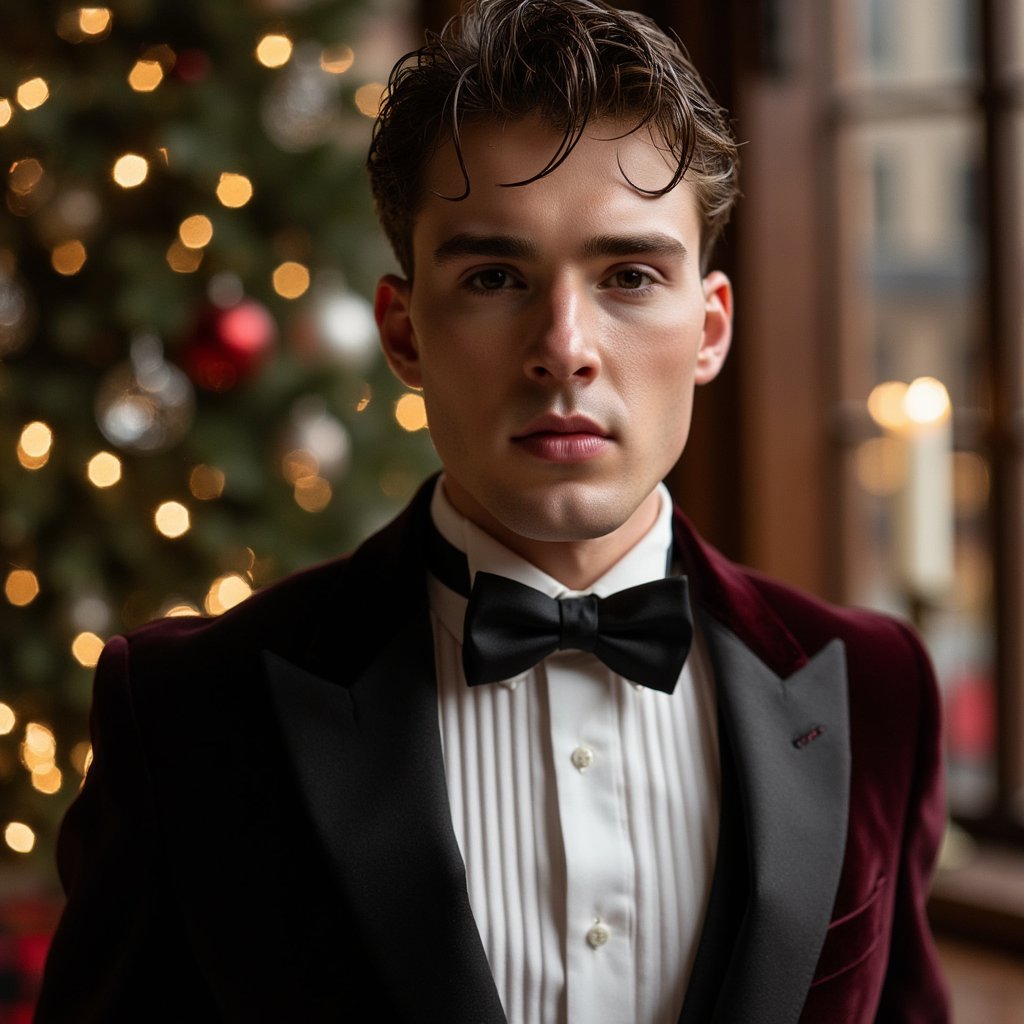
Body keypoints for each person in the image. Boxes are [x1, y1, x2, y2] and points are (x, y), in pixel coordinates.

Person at [36, 0, 950, 1021]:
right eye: (493, 275)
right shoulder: (189, 714)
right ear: (404, 331)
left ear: (708, 326)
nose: (563, 345)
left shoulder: (876, 689)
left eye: (631, 274)